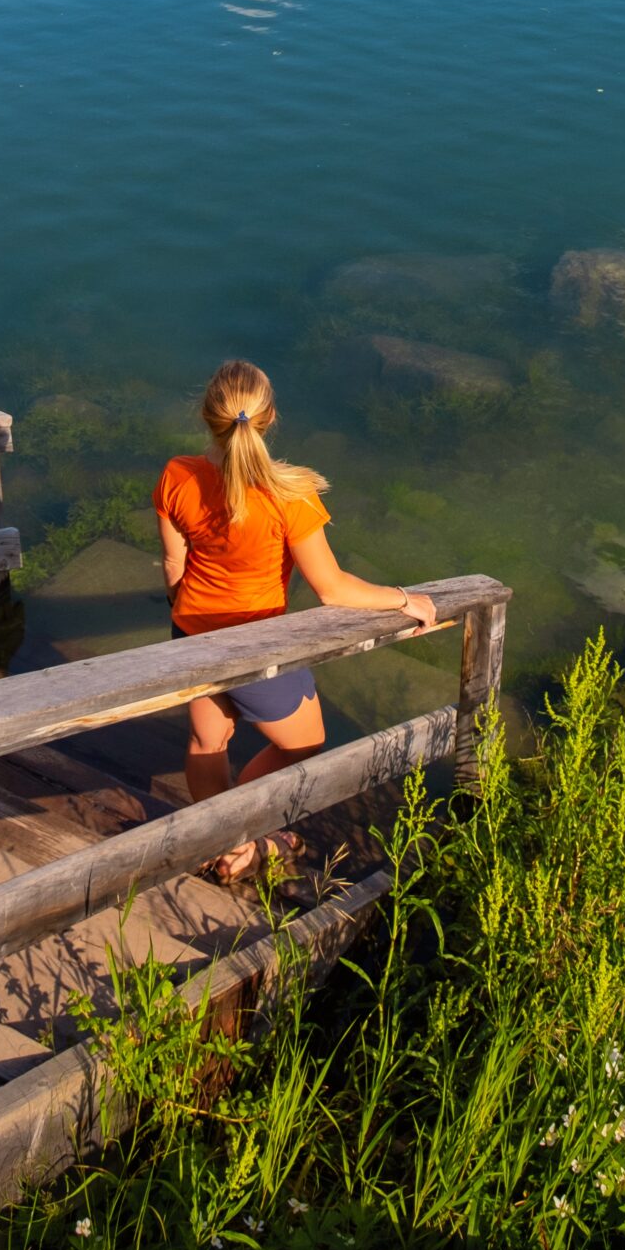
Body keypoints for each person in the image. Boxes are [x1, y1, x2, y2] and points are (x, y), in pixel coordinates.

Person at [154, 357, 438, 883]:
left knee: (206, 743)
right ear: (270, 418)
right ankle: (243, 838)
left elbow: (175, 565)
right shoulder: (291, 495)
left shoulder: (176, 474)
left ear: (206, 414)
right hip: (259, 645)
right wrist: (404, 599)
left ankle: (223, 836)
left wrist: (188, 609)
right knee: (302, 745)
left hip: (189, 631)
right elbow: (332, 589)